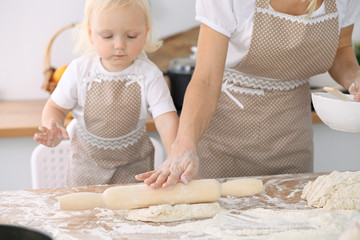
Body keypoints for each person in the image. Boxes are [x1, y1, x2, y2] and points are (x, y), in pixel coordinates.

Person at [136, 0, 360, 189]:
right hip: (223, 142)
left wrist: (355, 79)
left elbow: (341, 50)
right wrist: (183, 147)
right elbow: (206, 81)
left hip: (291, 138)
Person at [34, 0, 178, 186]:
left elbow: (167, 120)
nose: (119, 45)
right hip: (85, 169)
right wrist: (52, 126)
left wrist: (175, 158)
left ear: (145, 34)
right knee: (86, 214)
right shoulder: (79, 70)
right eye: (108, 36)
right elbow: (56, 107)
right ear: (91, 34)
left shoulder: (150, 75)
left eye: (131, 36)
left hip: (134, 168)